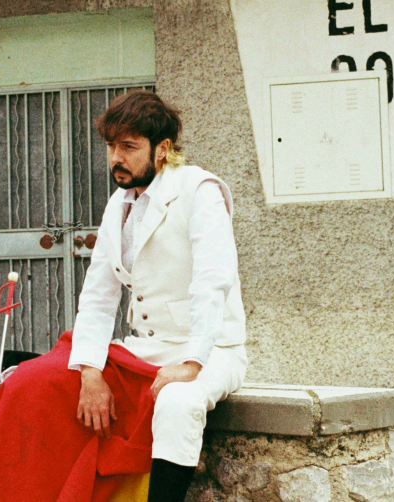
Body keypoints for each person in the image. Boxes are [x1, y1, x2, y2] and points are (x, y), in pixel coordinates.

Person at [69, 89, 248, 502]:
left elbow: (212, 281)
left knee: (178, 402)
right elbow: (97, 295)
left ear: (162, 149)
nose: (116, 157)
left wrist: (192, 362)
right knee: (44, 381)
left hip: (213, 350)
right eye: (111, 146)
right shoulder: (119, 204)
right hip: (146, 349)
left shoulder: (200, 190)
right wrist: (90, 371)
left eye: (129, 147)